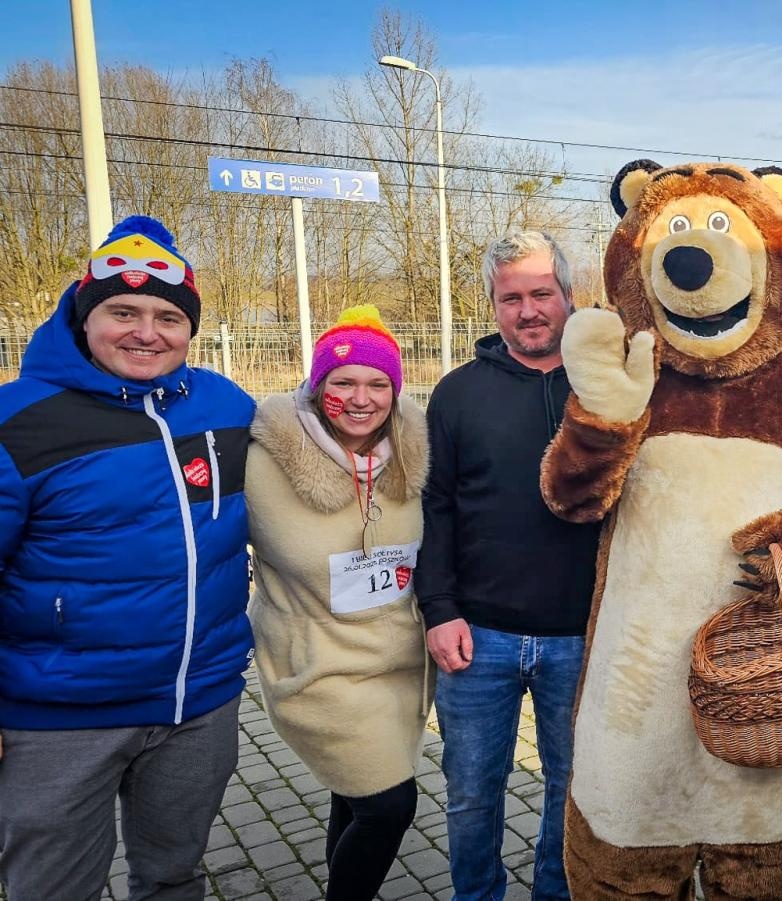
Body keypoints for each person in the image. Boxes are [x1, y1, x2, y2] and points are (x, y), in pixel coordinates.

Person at [0, 215, 255, 900]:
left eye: (168, 316)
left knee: (172, 877)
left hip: (198, 703)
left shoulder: (227, 407)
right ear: (83, 316)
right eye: (123, 311)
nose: (147, 332)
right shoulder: (17, 421)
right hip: (57, 717)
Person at [417, 229, 599, 901]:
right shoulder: (458, 393)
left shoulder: (603, 388)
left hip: (582, 636)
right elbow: (433, 506)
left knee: (573, 792)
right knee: (469, 794)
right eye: (511, 297)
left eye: (541, 294)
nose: (528, 311)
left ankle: (556, 893)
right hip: (477, 637)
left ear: (569, 297)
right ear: (494, 306)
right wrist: (438, 610)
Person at [246, 306, 430, 900]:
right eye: (343, 382)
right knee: (389, 805)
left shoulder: (411, 456)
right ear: (317, 385)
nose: (361, 398)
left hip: (397, 668)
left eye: (379, 384)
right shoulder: (262, 459)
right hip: (316, 668)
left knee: (354, 797)